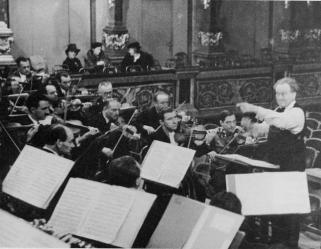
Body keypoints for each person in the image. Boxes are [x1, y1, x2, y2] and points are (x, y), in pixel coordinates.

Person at [237, 77, 306, 249]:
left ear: (294, 93)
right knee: (277, 210)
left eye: (284, 93)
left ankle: (289, 246)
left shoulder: (296, 113)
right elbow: (263, 129)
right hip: (277, 166)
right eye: (277, 94)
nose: (280, 97)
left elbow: (281, 121)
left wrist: (255, 108)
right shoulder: (278, 110)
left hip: (292, 169)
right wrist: (250, 124)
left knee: (289, 213)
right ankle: (275, 244)